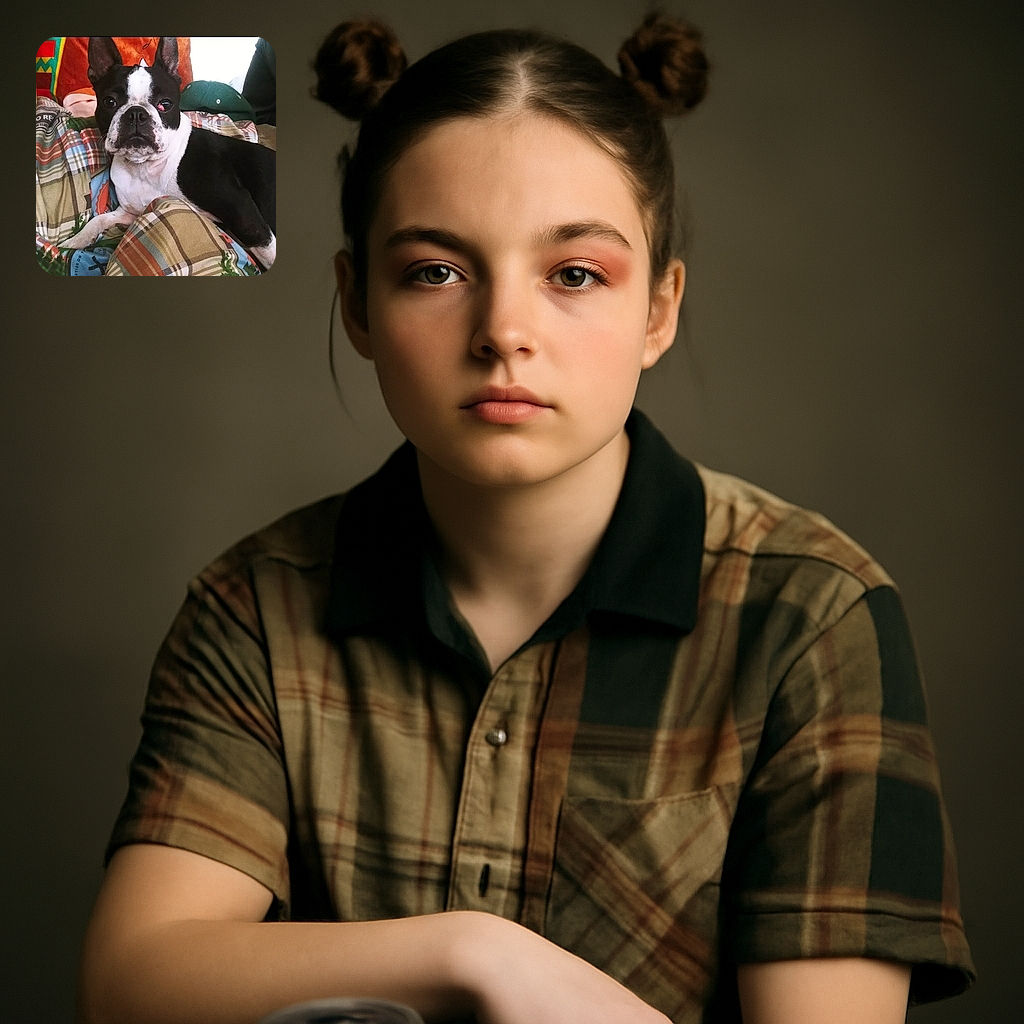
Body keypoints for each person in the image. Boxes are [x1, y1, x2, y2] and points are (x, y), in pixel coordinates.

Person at [75, 14, 975, 1024]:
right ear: (358, 305)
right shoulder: (255, 607)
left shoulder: (811, 618)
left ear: (661, 309)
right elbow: (134, 981)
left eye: (575, 274)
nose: (504, 331)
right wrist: (476, 954)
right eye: (435, 271)